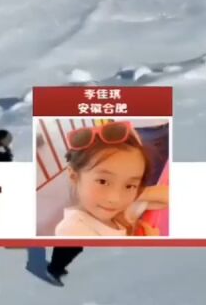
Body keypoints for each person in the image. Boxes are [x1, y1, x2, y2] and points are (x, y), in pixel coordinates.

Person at [47, 121, 170, 284]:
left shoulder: (120, 208)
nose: (115, 198)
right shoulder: (73, 229)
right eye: (103, 181)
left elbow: (168, 196)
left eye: (130, 184)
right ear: (74, 176)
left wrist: (135, 194)